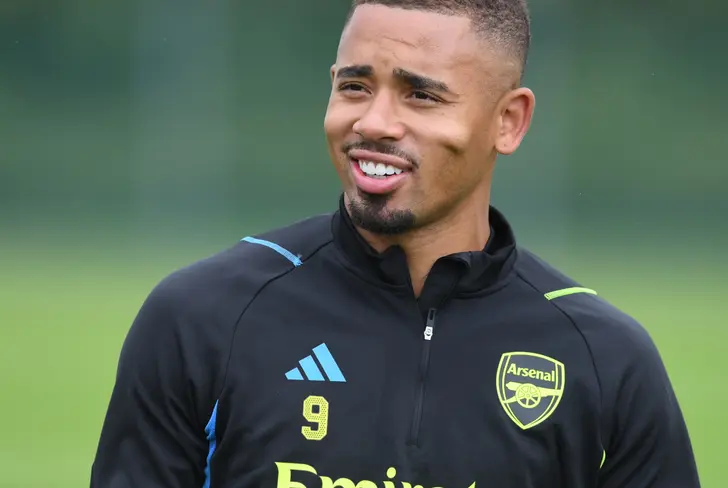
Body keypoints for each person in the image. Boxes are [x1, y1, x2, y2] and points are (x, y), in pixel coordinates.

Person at [90, 1, 701, 487]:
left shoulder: (605, 361)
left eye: (421, 94)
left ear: (508, 121)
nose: (374, 122)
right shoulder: (203, 319)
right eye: (355, 86)